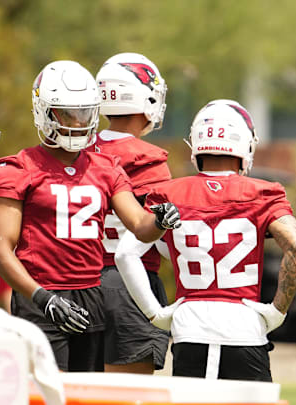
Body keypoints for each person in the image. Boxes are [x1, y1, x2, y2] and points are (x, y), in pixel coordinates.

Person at [0, 60, 181, 372]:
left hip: (91, 296)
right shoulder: (21, 168)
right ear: (45, 112)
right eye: (67, 114)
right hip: (40, 294)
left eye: (83, 114)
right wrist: (41, 298)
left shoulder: (105, 167)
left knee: (87, 393)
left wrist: (160, 220)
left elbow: (139, 226)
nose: (76, 123)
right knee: (44, 392)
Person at [115, 99, 296, 381]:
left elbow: (125, 254)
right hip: (245, 330)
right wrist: (277, 310)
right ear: (245, 144)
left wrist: (155, 313)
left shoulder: (171, 193)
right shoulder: (262, 192)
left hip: (189, 330)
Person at [94, 52, 172, 373]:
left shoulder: (79, 154)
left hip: (78, 283)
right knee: (130, 395)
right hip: (131, 286)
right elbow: (166, 241)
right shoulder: (148, 159)